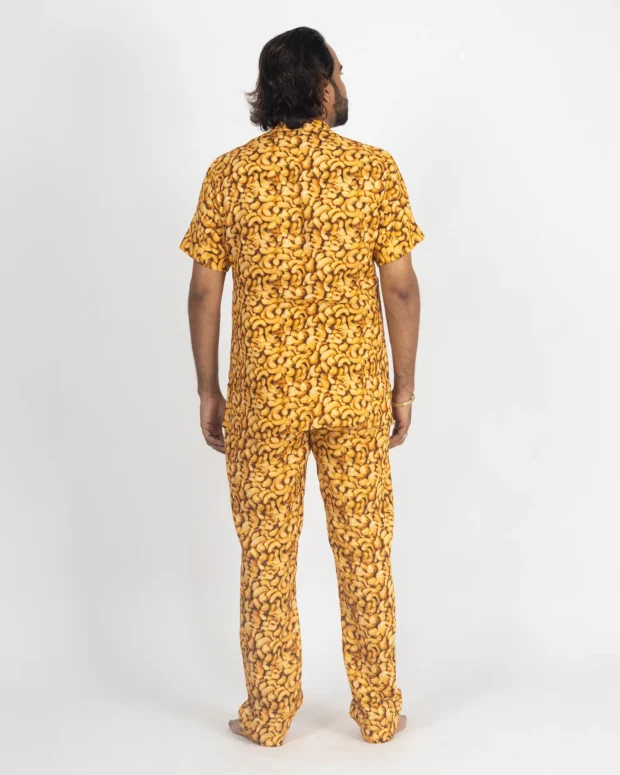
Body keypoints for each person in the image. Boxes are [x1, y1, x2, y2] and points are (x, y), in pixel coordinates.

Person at [179, 26, 425, 747]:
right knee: (365, 549)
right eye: (339, 73)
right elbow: (401, 289)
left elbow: (203, 291)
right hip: (354, 396)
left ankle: (268, 712)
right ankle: (378, 710)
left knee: (266, 553)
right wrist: (403, 388)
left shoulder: (229, 175)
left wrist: (208, 389)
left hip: (264, 400)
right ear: (321, 88)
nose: (344, 84)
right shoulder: (373, 171)